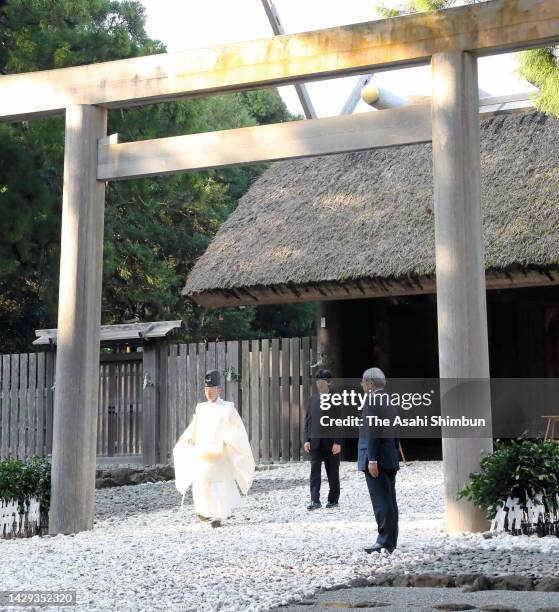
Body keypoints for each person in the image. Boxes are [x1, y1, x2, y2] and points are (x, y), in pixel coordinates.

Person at [173, 369, 255, 528]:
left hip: (219, 452)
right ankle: (204, 512)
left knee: (219, 484)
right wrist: (191, 437)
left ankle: (217, 515)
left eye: (211, 389)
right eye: (206, 389)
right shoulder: (201, 408)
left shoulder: (228, 408)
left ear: (219, 389)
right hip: (203, 452)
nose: (208, 392)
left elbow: (237, 430)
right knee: (201, 482)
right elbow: (194, 427)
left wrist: (228, 441)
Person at [357, 367, 400, 553]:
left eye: (363, 381)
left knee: (381, 501)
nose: (362, 385)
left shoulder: (372, 400)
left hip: (377, 458)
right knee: (390, 499)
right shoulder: (389, 399)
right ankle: (390, 539)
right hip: (389, 456)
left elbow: (373, 431)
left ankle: (384, 540)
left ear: (370, 383)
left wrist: (372, 459)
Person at [303, 369, 342, 510]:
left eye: (323, 381)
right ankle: (315, 500)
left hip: (331, 443)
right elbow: (308, 421)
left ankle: (333, 500)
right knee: (314, 472)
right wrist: (306, 439)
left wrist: (338, 442)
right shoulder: (312, 399)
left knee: (333, 472)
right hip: (314, 443)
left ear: (329, 382)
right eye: (318, 381)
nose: (320, 384)